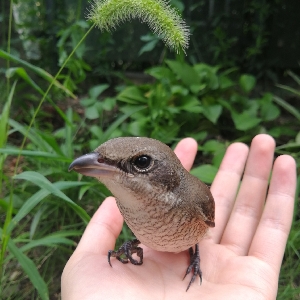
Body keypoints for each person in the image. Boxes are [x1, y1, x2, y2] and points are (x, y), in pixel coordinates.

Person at [61, 134, 296, 299]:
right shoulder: (126, 203)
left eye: (141, 163)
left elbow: (204, 226)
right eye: (100, 160)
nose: (96, 165)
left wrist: (195, 255)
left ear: (168, 174)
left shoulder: (197, 201)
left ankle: (193, 255)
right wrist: (138, 240)